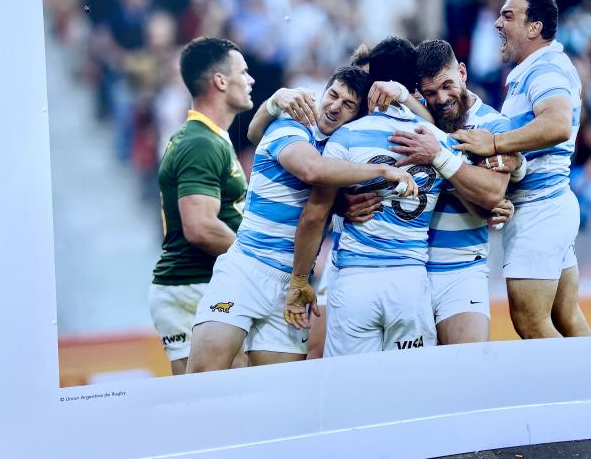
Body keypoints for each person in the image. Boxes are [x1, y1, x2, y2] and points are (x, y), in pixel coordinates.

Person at [283, 37, 508, 356]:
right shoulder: (435, 139)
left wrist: (299, 279)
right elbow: (479, 194)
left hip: (355, 279)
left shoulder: (345, 136)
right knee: (412, 390)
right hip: (409, 281)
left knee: (348, 388)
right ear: (413, 86)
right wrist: (494, 206)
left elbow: (314, 213)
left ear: (373, 82)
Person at [186, 66, 417, 373]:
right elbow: (311, 171)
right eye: (332, 95)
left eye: (348, 105)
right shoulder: (291, 126)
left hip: (294, 284)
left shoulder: (343, 155)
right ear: (323, 92)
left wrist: (338, 206)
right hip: (247, 268)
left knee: (278, 395)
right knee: (204, 376)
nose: (335, 107)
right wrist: (383, 171)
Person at [452, 0, 591, 340]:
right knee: (565, 315)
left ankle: (571, 392)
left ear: (535, 28)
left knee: (531, 323)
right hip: (552, 203)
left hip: (539, 211)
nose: (498, 23)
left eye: (508, 16)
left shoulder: (543, 68)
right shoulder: (541, 68)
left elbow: (558, 124)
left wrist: (495, 142)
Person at [386, 39, 517, 344]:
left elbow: (491, 196)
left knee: (466, 374)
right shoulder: (413, 121)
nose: (442, 98)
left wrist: (438, 157)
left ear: (462, 72)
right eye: (430, 93)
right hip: (407, 268)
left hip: (462, 270)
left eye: (447, 85)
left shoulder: (495, 125)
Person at [151, 37, 254, 375]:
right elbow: (199, 227)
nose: (250, 79)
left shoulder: (210, 136)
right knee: (204, 406)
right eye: (243, 71)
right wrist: (257, 259)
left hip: (204, 284)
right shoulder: (200, 142)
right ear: (220, 81)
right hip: (190, 286)